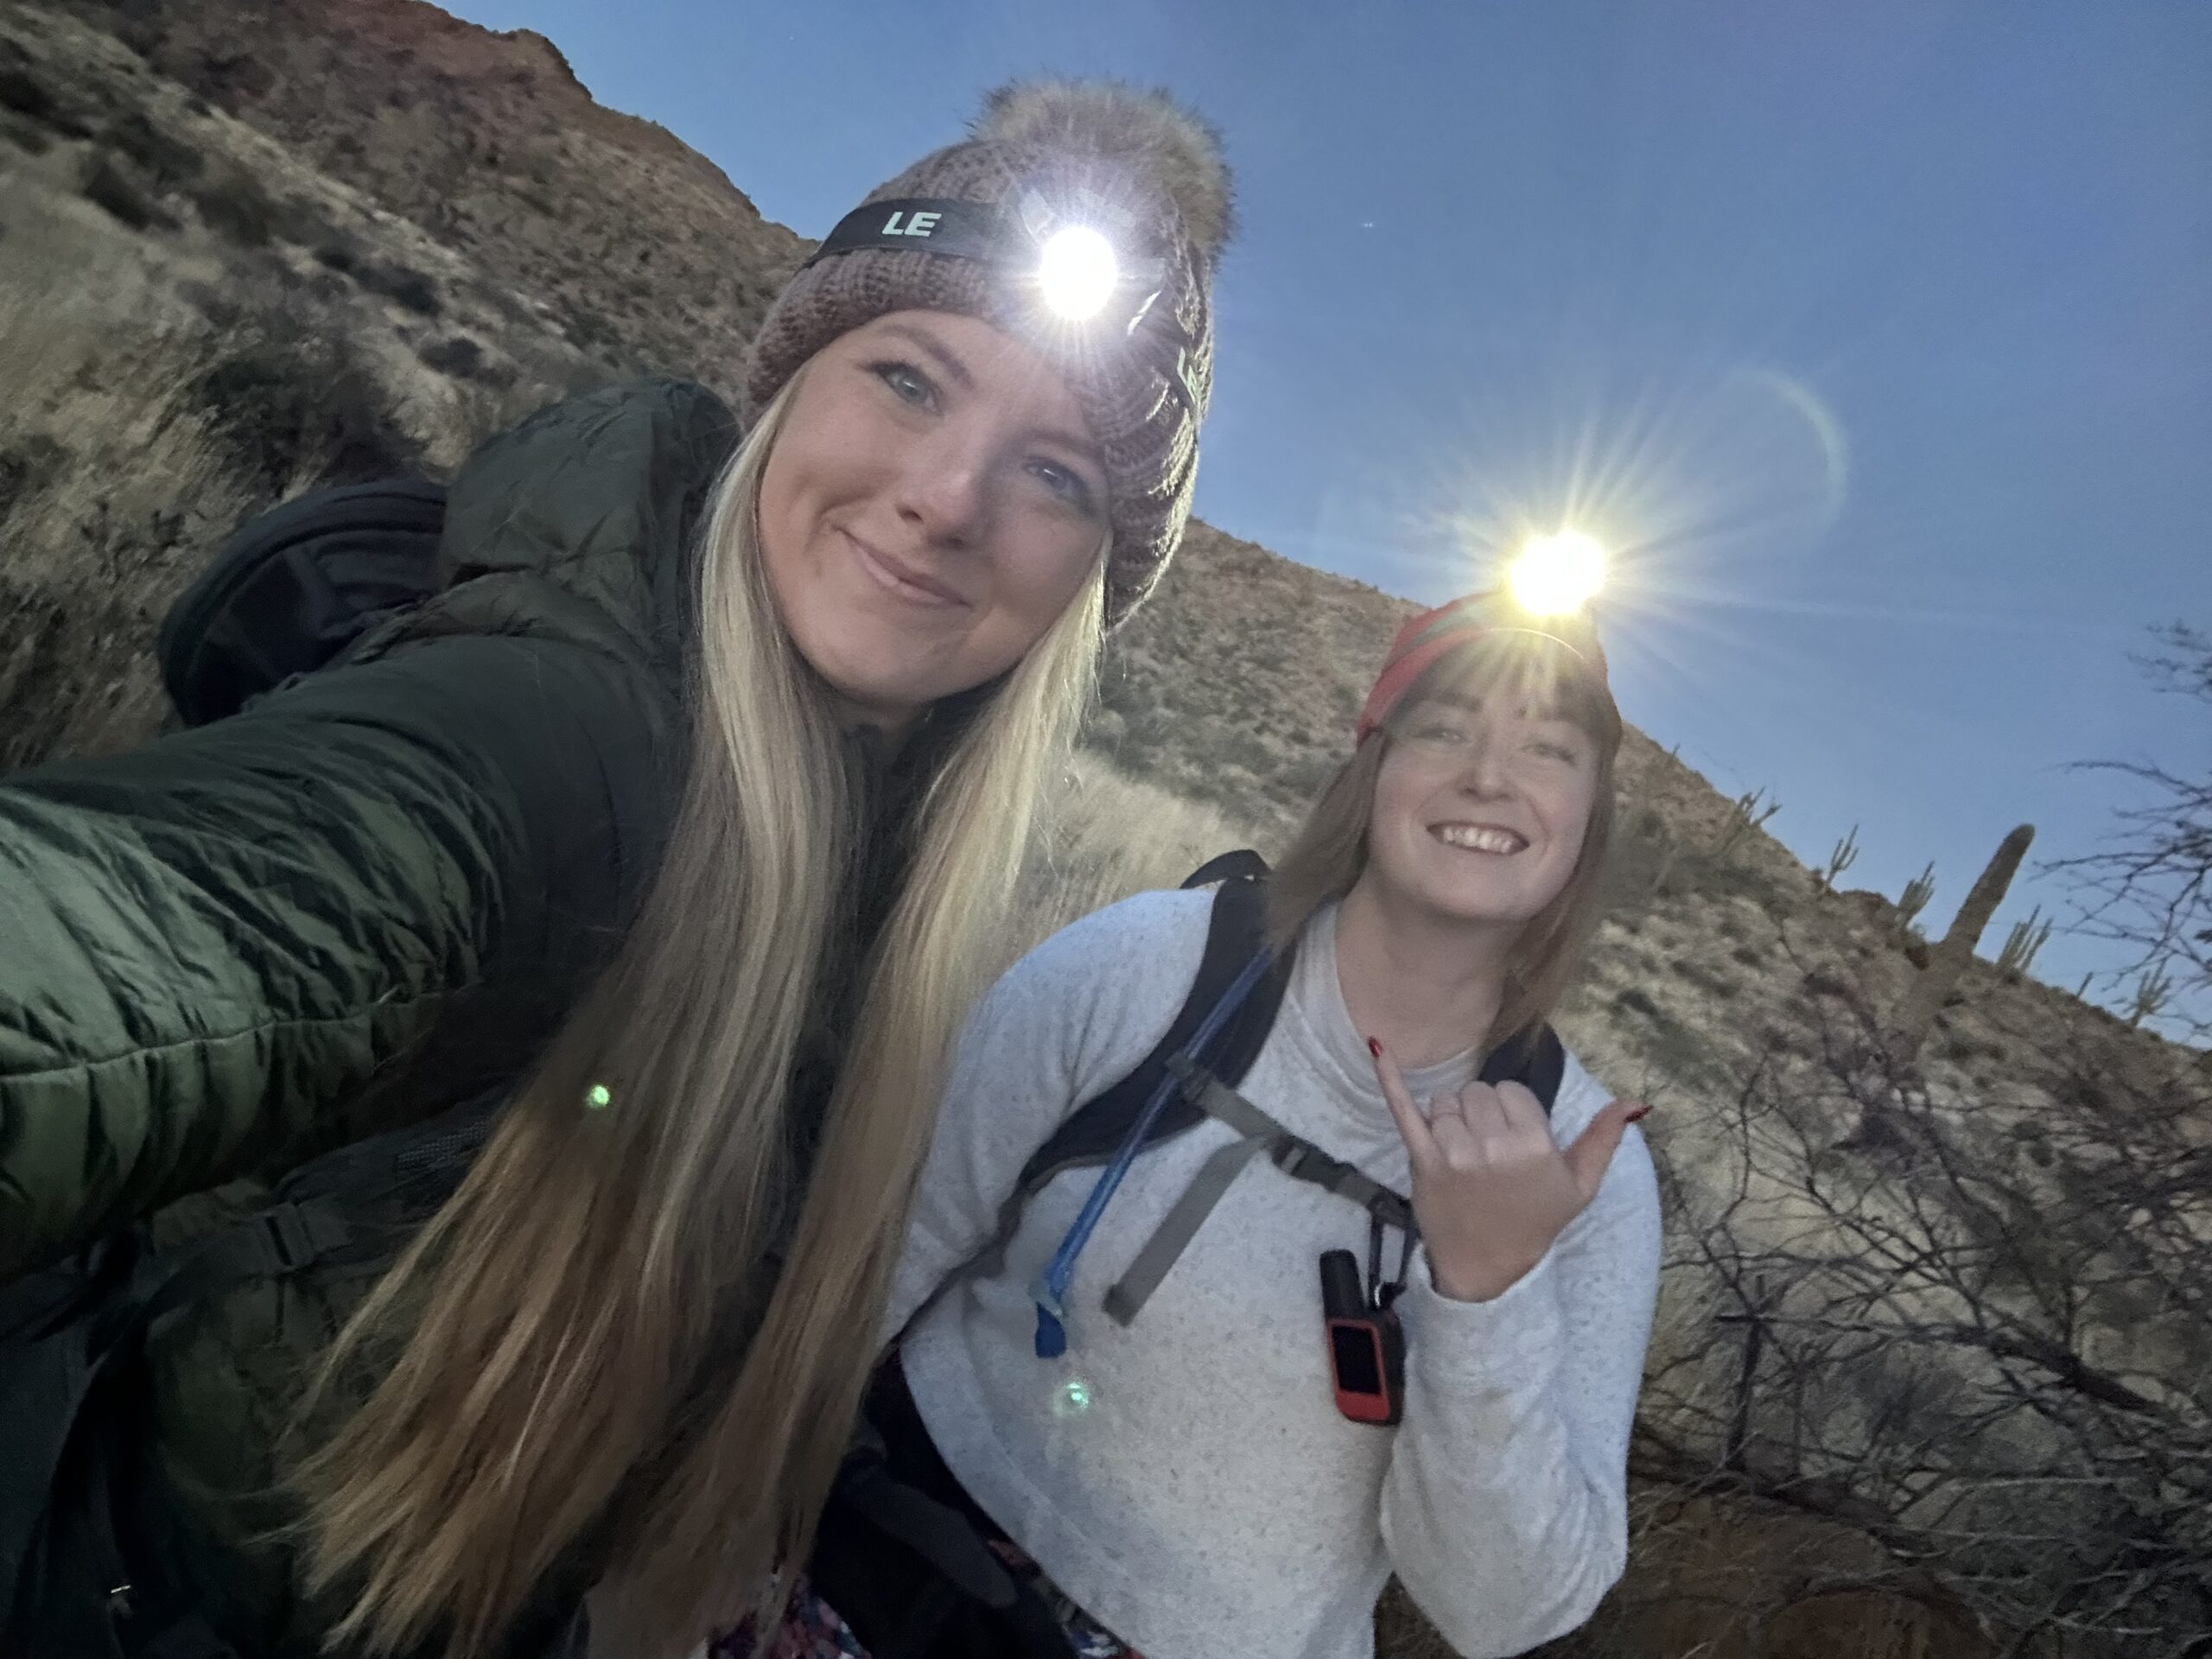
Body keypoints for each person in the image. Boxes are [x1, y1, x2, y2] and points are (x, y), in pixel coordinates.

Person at [0, 79, 1233, 1659]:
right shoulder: (555, 739)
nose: (947, 499)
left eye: (1058, 473)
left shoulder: (875, 896)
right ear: (788, 386)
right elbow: (124, 958)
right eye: (911, 378)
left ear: (1088, 587)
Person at [855, 592, 1663, 1659]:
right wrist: (717, 1521)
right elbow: (878, 1257)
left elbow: (1499, 1612)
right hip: (882, 1566)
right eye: (1445, 728)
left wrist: (1486, 1297)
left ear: (1588, 817)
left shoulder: (1588, 1174)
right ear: (1371, 765)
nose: (1489, 776)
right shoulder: (1150, 965)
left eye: (1548, 750)